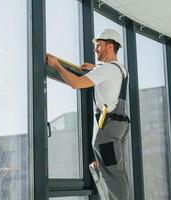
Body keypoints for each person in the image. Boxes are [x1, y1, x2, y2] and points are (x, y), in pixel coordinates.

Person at [47, 28, 130, 200]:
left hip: (108, 128)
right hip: (119, 124)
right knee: (116, 172)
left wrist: (56, 65)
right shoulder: (120, 69)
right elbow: (109, 77)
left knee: (112, 176)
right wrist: (95, 68)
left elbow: (76, 83)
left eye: (99, 45)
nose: (95, 49)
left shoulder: (106, 70)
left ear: (110, 46)